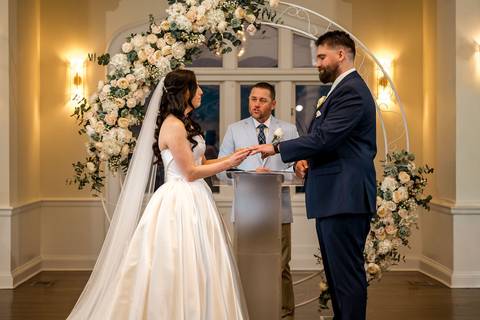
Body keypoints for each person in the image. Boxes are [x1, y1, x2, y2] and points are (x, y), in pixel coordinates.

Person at [67, 69, 251, 319]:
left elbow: (203, 162)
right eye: (196, 87)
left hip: (197, 199)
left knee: (202, 262)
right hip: (179, 201)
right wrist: (229, 164)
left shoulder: (186, 124)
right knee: (176, 261)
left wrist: (238, 156)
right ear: (184, 92)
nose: (201, 92)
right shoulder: (173, 126)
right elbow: (190, 173)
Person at [251, 30, 377, 320]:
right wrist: (307, 157)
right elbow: (329, 140)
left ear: (341, 54)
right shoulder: (340, 90)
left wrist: (276, 147)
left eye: (322, 56)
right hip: (334, 195)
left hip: (344, 195)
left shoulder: (352, 91)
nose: (317, 63)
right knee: (337, 276)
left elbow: (326, 138)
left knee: (346, 277)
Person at [217, 82, 299, 319]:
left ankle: (285, 315)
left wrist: (276, 176)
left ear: (273, 104)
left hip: (278, 211)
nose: (256, 104)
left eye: (263, 100)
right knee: (246, 265)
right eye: (253, 99)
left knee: (281, 266)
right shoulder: (235, 129)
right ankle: (245, 312)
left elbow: (299, 169)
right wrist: (247, 176)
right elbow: (222, 170)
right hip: (245, 212)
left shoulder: (289, 130)